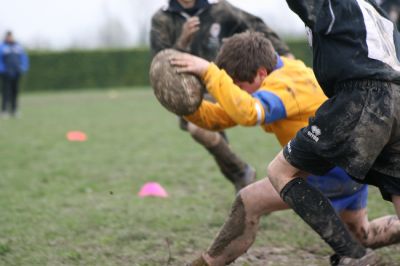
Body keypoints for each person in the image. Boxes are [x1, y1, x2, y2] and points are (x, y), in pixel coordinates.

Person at [170, 32, 400, 266]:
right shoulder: (287, 70)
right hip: (350, 165)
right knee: (363, 235)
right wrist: (188, 109)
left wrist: (209, 73)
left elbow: (248, 113)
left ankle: (205, 263)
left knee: (249, 201)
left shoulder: (284, 86)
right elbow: (226, 114)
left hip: (324, 169)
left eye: (239, 87)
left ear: (261, 73)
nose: (238, 93)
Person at [150, 0, 292, 191]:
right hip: (188, 93)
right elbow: (160, 64)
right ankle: (243, 178)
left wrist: (285, 54)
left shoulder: (219, 9)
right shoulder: (162, 19)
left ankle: (242, 175)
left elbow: (255, 24)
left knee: (198, 128)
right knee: (207, 134)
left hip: (223, 84)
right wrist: (181, 42)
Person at [0, 31, 29, 118]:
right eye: (8, 37)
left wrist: (23, 67)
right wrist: (2, 69)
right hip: (6, 73)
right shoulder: (2, 47)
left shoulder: (18, 47)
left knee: (15, 92)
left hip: (16, 73)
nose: (10, 38)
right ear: (6, 37)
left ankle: (14, 110)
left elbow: (24, 58)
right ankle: (4, 110)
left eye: (11, 36)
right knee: (6, 92)